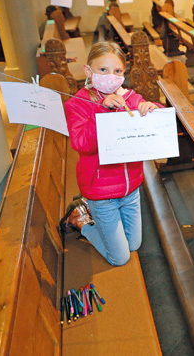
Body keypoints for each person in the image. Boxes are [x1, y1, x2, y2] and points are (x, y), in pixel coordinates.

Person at [60, 42, 161, 265]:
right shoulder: (78, 104)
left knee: (134, 245)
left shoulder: (131, 98)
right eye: (103, 70)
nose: (110, 76)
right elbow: (81, 144)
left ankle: (101, 227)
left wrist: (153, 108)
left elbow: (156, 129)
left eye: (117, 71)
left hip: (131, 187)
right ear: (89, 71)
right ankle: (82, 222)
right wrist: (102, 110)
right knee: (120, 257)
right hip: (101, 192)